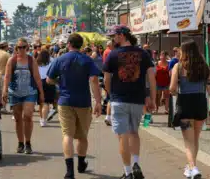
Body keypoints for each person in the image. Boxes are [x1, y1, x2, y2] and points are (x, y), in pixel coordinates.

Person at [103, 25, 156, 179]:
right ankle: (136, 163)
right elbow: (151, 78)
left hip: (119, 99)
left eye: (114, 36)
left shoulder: (113, 55)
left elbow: (106, 78)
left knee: (122, 136)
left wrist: (110, 93)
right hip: (138, 100)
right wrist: (152, 98)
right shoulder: (143, 54)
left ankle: (127, 172)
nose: (113, 39)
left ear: (122, 36)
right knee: (134, 133)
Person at [46, 33, 102, 179]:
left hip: (65, 101)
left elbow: (49, 80)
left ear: (69, 44)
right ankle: (81, 163)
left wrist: (59, 82)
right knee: (82, 136)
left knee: (67, 135)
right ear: (81, 45)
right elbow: (94, 80)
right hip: (83, 102)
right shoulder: (87, 60)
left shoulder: (60, 59)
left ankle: (69, 171)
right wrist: (98, 101)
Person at [170, 41, 210, 179]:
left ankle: (193, 168)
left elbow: (172, 88)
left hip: (185, 105)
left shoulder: (178, 66)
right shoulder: (204, 67)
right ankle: (189, 167)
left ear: (184, 52)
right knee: (195, 138)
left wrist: (175, 93)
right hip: (200, 104)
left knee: (188, 141)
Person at [3, 38, 44, 154]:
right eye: (19, 47)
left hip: (30, 92)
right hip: (15, 92)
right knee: (17, 119)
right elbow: (7, 77)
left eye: (24, 47)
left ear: (27, 48)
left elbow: (37, 77)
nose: (22, 49)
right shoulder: (12, 60)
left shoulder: (32, 61)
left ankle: (28, 142)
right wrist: (4, 91)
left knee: (27, 115)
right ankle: (20, 143)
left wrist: (41, 92)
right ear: (16, 48)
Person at [37, 49, 55, 127]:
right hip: (49, 81)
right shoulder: (52, 60)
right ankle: (44, 119)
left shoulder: (37, 61)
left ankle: (42, 118)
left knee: (41, 102)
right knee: (46, 102)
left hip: (39, 82)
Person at [103, 41, 114, 126]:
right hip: (143, 88)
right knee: (147, 107)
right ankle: (146, 123)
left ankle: (108, 116)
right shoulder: (110, 53)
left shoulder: (107, 52)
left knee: (110, 98)